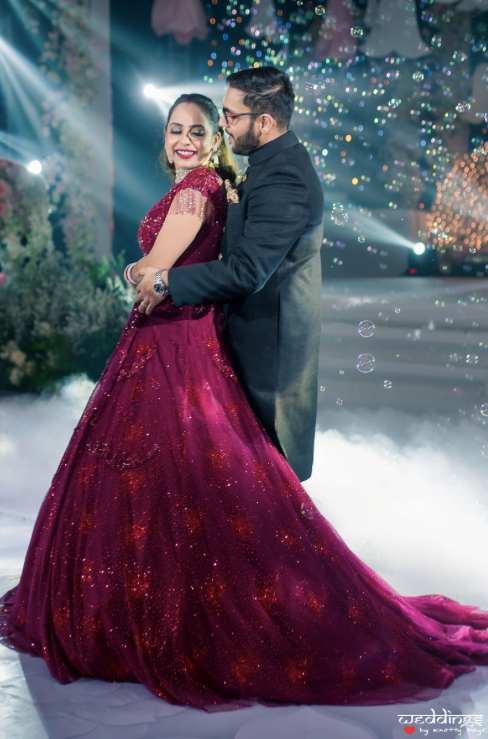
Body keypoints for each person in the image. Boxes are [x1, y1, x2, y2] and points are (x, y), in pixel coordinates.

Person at [1, 92, 488, 716]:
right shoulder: (215, 188)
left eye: (199, 128)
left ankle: (154, 612)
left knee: (167, 478)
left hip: (172, 344)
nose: (184, 138)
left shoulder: (195, 190)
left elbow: (156, 271)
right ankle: (150, 597)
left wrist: (135, 273)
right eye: (175, 128)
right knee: (168, 482)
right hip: (176, 337)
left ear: (215, 140)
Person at [135, 67, 324, 483]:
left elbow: (247, 271)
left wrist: (166, 280)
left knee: (264, 488)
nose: (223, 123)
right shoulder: (269, 164)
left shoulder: (285, 178)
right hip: (238, 336)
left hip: (269, 355)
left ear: (265, 122)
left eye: (230, 116)